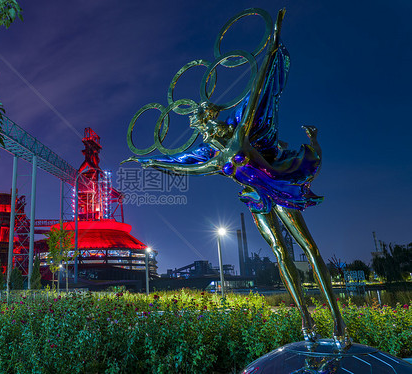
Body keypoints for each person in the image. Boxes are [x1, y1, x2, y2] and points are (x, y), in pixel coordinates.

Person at [124, 9, 350, 349]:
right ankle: (305, 316)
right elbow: (180, 167)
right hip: (257, 199)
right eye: (203, 128)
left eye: (209, 123)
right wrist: (147, 161)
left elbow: (258, 91)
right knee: (279, 251)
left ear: (216, 121)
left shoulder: (240, 133)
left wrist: (272, 46)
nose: (208, 130)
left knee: (310, 248)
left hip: (277, 186)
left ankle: (338, 320)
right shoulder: (214, 159)